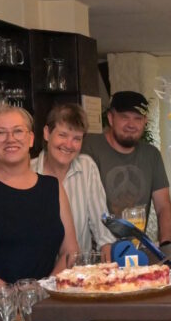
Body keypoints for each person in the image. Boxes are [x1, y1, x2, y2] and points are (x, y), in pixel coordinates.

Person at [0, 105, 78, 312]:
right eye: (0, 133)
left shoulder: (52, 187)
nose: (10, 139)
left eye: (18, 131)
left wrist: (43, 291)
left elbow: (71, 252)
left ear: (30, 138)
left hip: (43, 307)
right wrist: (7, 292)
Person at [82, 90, 171, 246]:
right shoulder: (89, 147)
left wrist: (166, 245)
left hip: (134, 249)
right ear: (111, 118)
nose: (131, 125)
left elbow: (163, 207)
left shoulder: (151, 155)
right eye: (124, 117)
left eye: (137, 118)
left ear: (145, 121)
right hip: (95, 253)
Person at [31, 102, 115, 256]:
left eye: (77, 138)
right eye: (62, 135)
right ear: (47, 133)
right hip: (38, 277)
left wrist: (109, 269)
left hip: (79, 274)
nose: (69, 145)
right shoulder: (28, 171)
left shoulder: (87, 167)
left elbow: (103, 231)